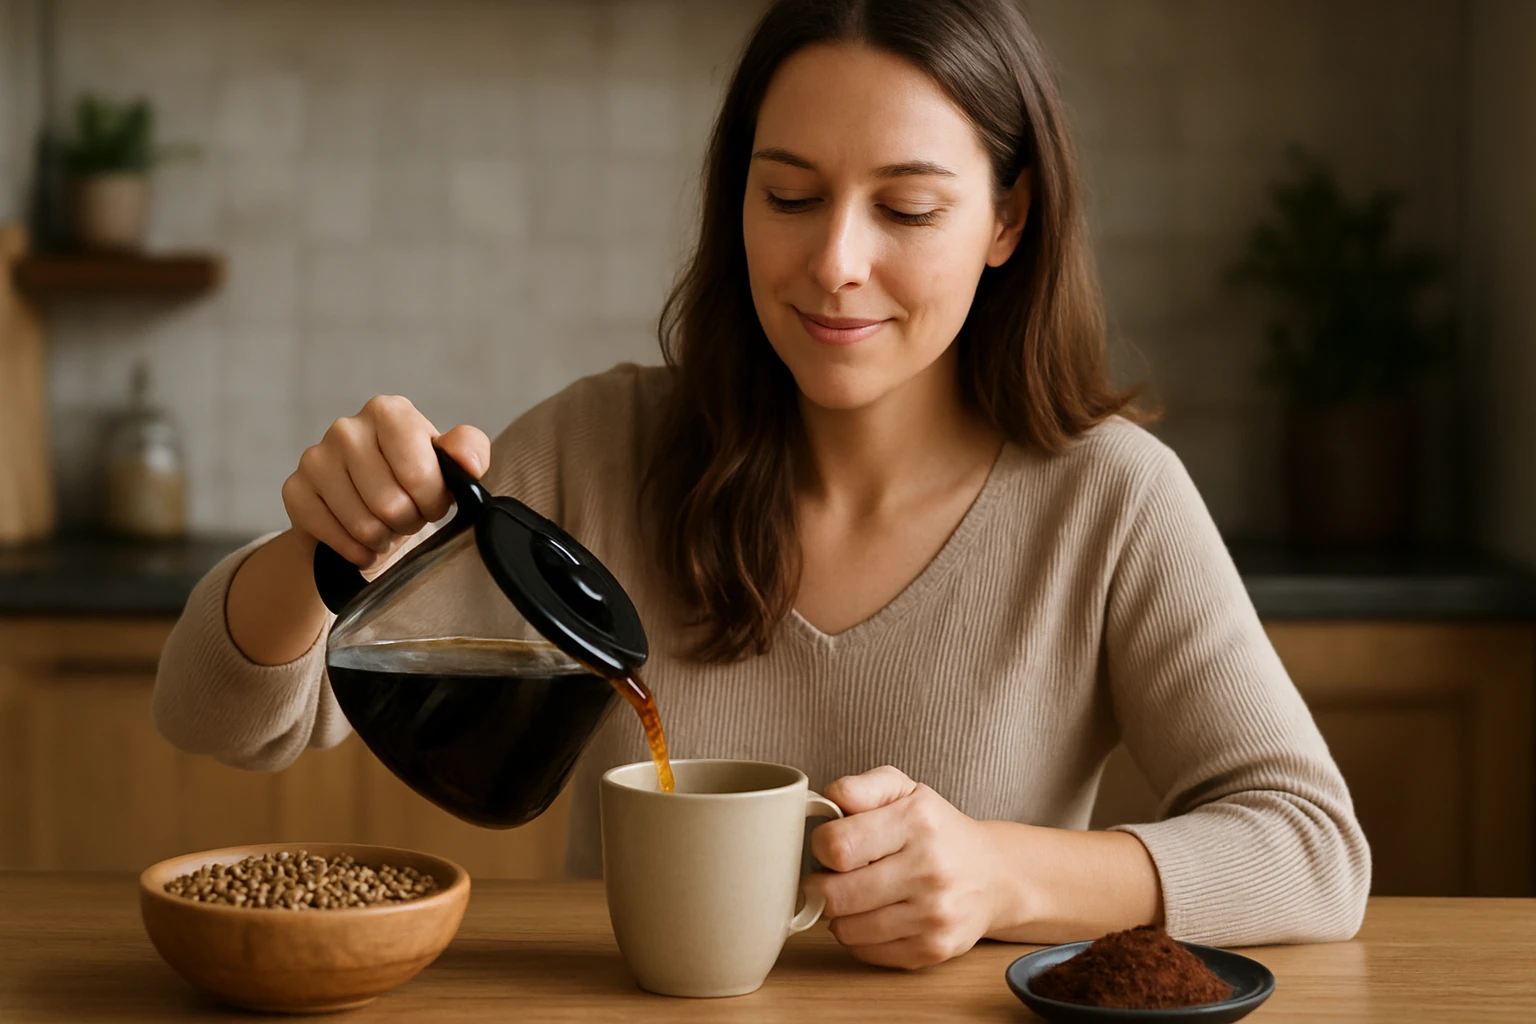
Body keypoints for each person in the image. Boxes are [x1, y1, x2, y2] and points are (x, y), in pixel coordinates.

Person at [155, 0, 1369, 968]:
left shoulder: (1109, 502)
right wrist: (321, 553)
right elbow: (219, 718)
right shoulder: (599, 447)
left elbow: (1314, 852)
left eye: (907, 206)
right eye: (788, 195)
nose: (835, 262)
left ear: (1008, 218)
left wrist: (1010, 874)